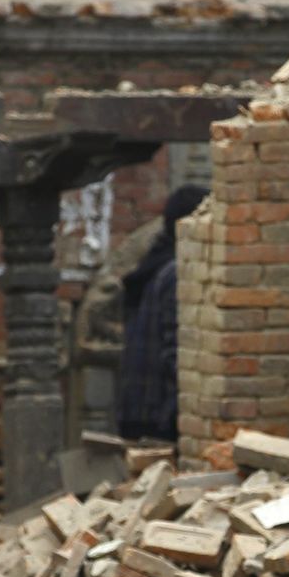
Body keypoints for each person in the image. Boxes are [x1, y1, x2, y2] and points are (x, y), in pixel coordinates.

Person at [117, 184, 210, 442]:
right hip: (158, 414)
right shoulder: (176, 272)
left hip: (140, 408)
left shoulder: (155, 263)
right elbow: (175, 351)